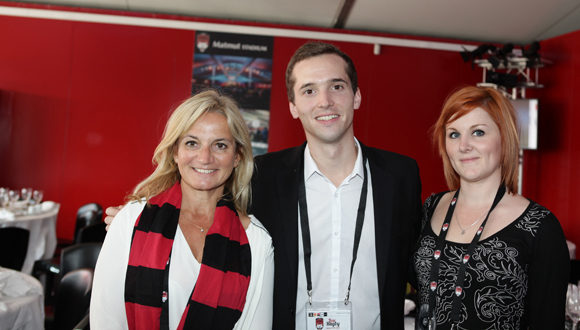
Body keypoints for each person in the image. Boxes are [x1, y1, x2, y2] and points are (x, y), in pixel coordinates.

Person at [106, 41, 422, 329]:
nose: (324, 101)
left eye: (336, 86)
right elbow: (201, 190)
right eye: (309, 90)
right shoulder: (262, 176)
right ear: (293, 106)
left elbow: (419, 260)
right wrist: (137, 218)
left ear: (356, 95)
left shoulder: (399, 176)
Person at [91, 90, 274, 330]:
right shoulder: (132, 220)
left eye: (220, 145)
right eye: (192, 143)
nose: (205, 157)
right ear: (176, 152)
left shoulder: (257, 240)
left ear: (237, 156)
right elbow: (107, 321)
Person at [411, 86, 569, 329]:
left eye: (478, 132)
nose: (464, 146)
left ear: (505, 138)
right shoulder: (430, 208)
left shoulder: (539, 226)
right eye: (454, 134)